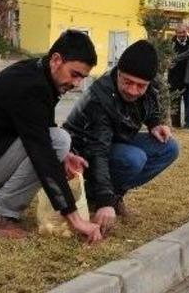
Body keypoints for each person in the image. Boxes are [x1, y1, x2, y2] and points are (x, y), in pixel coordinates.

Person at [0, 30, 102, 242]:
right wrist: (75, 219)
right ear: (56, 60)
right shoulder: (32, 86)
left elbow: (40, 126)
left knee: (59, 143)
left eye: (82, 77)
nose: (77, 83)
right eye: (75, 74)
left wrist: (66, 156)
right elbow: (41, 150)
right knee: (58, 141)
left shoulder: (37, 74)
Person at [64, 40, 179, 234]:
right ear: (118, 73)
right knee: (133, 158)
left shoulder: (152, 85)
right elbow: (97, 150)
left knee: (168, 148)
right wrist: (104, 201)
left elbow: (149, 105)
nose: (133, 90)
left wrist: (154, 124)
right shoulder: (99, 98)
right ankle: (96, 196)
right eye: (127, 82)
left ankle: (115, 194)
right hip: (83, 151)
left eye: (141, 86)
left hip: (116, 142)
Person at [168, 25, 189, 128]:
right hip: (174, 78)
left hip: (188, 77)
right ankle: (175, 124)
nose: (182, 34)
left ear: (187, 32)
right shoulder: (170, 43)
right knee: (174, 103)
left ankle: (187, 124)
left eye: (183, 32)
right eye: (179, 32)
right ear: (176, 33)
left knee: (188, 103)